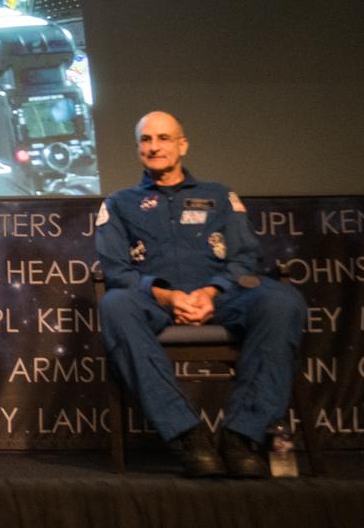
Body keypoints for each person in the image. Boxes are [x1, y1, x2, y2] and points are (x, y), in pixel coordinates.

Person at [95, 111, 307, 478]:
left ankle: (241, 437)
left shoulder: (220, 196)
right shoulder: (119, 202)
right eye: (146, 140)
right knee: (115, 305)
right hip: (154, 301)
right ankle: (189, 437)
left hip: (223, 298)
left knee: (282, 301)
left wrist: (211, 292)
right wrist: (166, 296)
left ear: (182, 145)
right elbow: (116, 269)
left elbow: (245, 259)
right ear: (138, 148)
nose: (154, 146)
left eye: (163, 138)